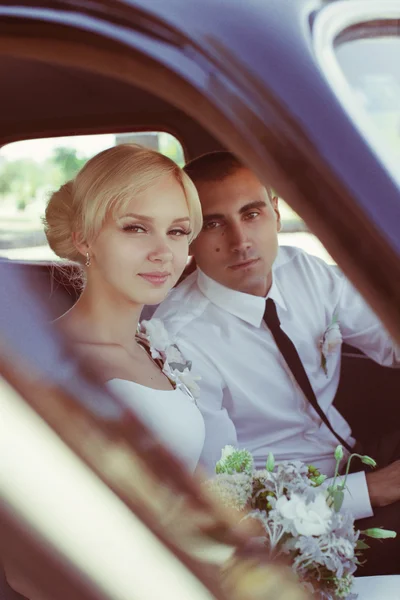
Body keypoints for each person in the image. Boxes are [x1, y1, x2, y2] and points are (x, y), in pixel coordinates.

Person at [154, 151, 400, 575]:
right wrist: (370, 491)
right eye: (213, 223)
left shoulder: (304, 272)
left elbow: (390, 339)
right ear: (187, 237)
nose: (240, 240)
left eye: (252, 213)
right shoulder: (179, 341)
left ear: (276, 213)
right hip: (290, 515)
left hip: (353, 454)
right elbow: (227, 499)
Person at [43, 143, 205, 473]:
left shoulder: (152, 345)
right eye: (136, 228)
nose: (164, 252)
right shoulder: (54, 363)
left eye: (177, 231)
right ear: (84, 238)